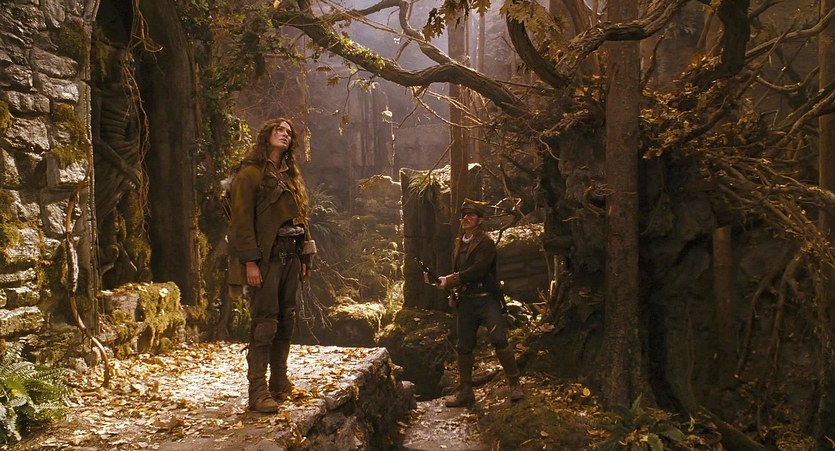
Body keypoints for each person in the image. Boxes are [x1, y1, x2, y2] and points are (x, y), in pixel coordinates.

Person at [228, 118, 316, 413]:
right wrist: (250, 263)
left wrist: (305, 256)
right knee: (264, 322)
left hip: (290, 257)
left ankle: (279, 381)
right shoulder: (249, 174)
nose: (284, 134)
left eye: (289, 132)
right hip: (266, 260)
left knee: (286, 318)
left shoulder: (290, 177)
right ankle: (257, 391)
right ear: (266, 135)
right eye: (279, 130)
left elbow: (300, 219)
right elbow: (241, 223)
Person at [427, 199, 523, 407]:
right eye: (464, 215)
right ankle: (466, 392)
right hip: (467, 301)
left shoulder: (486, 243)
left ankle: (515, 384)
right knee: (464, 347)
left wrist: (450, 279)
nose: (466, 218)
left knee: (499, 339)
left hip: (487, 299)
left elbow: (478, 270)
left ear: (480, 220)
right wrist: (441, 281)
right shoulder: (459, 242)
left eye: (471, 215)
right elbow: (459, 270)